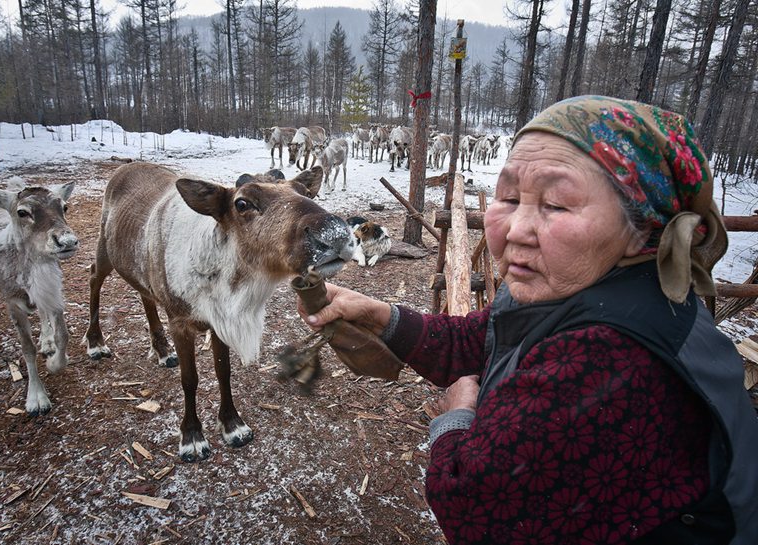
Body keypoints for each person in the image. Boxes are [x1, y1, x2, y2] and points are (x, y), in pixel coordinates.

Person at [298, 96, 758, 544]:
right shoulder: (581, 288)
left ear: (642, 229)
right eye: (509, 197)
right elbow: (479, 340)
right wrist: (377, 313)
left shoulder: (612, 359)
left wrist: (457, 415)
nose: (516, 229)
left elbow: (471, 509)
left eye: (557, 205)